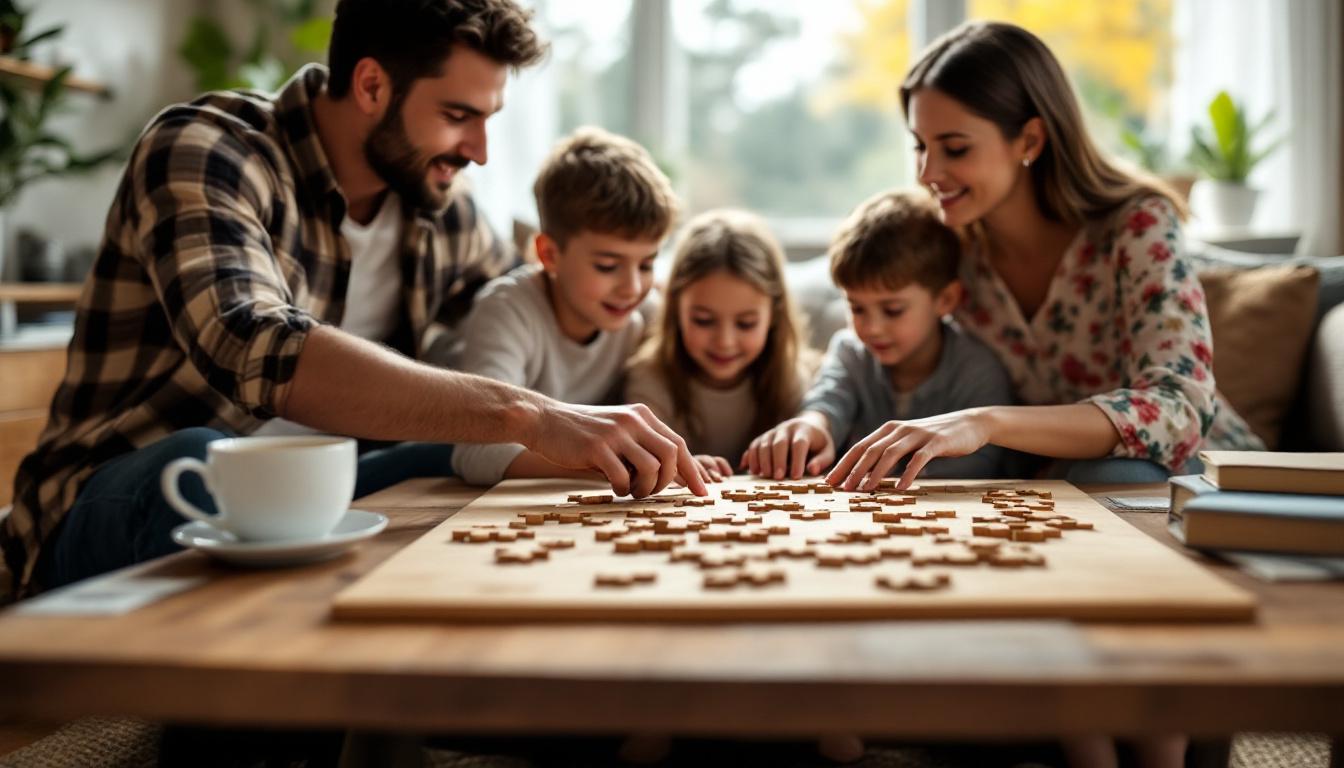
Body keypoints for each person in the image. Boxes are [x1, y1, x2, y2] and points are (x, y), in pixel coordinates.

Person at [2, 0, 705, 603]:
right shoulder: (209, 148)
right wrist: (530, 413)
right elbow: (255, 348)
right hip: (123, 496)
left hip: (330, 490)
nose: (482, 151)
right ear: (371, 84)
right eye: (459, 114)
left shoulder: (442, 211)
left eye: (489, 118)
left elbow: (540, 302)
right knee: (204, 456)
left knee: (465, 460)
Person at [824, 20, 1262, 497]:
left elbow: (1179, 410)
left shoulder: (1137, 227)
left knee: (1111, 477)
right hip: (1052, 485)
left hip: (1204, 476)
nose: (928, 172)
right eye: (919, 145)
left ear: (1030, 141)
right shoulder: (947, 245)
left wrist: (984, 423)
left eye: (954, 148)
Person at [442, 126, 681, 485]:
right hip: (425, 453)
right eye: (607, 266)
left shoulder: (645, 314)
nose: (633, 287)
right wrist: (608, 465)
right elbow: (476, 452)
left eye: (646, 264)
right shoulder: (507, 310)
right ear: (549, 254)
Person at [744, 189, 1012, 481]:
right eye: (857, 308)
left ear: (946, 300)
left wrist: (888, 474)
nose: (871, 328)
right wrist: (810, 425)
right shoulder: (850, 352)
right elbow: (828, 402)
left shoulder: (976, 369)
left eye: (893, 310)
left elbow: (982, 464)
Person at [624, 209, 815, 482]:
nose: (724, 342)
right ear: (676, 309)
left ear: (773, 315)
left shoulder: (792, 380)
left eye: (746, 323)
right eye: (703, 320)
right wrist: (675, 467)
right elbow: (644, 460)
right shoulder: (650, 379)